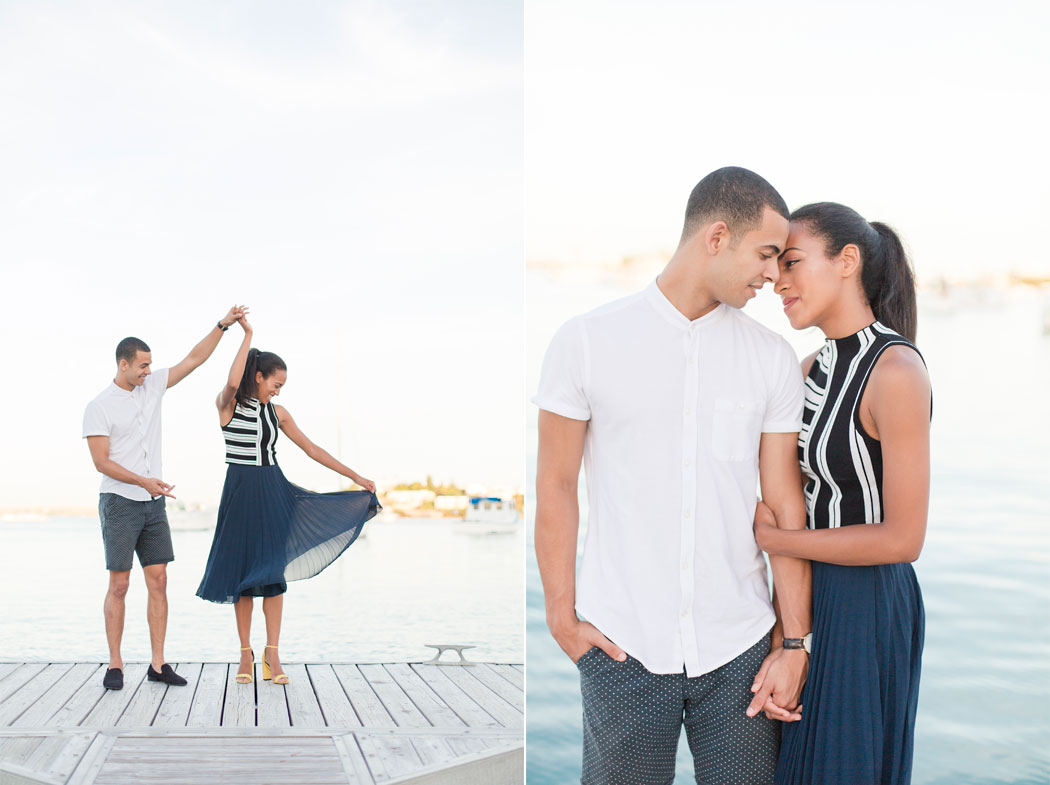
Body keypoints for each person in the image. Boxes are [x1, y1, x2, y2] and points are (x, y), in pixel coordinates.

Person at [534, 166, 813, 784]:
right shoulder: (583, 341)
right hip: (620, 645)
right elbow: (555, 485)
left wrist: (794, 645)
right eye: (766, 254)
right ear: (717, 237)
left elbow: (784, 508)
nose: (773, 274)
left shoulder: (771, 361)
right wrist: (561, 616)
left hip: (741, 648)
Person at [753, 202, 931, 785]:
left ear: (848, 261)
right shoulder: (807, 369)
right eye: (776, 264)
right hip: (807, 597)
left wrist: (782, 540)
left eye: (794, 263)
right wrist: (787, 633)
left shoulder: (896, 370)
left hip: (868, 605)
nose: (778, 281)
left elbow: (904, 538)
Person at [195, 311, 380, 686]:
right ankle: (245, 654)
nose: (278, 390)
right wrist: (246, 334)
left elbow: (312, 449)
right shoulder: (228, 405)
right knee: (244, 577)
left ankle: (273, 654)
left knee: (273, 576)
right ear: (259, 376)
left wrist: (355, 476)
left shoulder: (278, 414)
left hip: (273, 491)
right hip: (240, 493)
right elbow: (233, 380)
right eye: (275, 383)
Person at [83, 306, 247, 690]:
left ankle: (158, 665)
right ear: (123, 364)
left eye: (150, 365)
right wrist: (143, 481)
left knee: (159, 581)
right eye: (142, 366)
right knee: (119, 585)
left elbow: (194, 358)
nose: (148, 371)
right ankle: (115, 664)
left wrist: (223, 326)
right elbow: (100, 462)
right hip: (120, 502)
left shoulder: (153, 386)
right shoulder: (99, 406)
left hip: (153, 504)